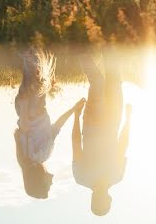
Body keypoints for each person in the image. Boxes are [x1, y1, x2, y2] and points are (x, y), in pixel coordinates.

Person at [13, 48, 85, 199]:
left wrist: (26, 103)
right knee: (37, 66)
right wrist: (74, 109)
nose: (51, 184)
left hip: (30, 108)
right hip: (35, 107)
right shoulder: (37, 157)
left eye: (48, 186)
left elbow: (24, 127)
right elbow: (57, 128)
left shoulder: (33, 156)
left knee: (32, 62)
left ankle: (20, 38)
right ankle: (26, 39)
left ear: (39, 181)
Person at [72, 52, 132, 216]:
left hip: (106, 120)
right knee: (109, 79)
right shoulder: (82, 177)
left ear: (108, 200)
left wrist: (129, 119)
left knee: (104, 80)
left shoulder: (115, 176)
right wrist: (76, 116)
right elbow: (76, 143)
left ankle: (79, 41)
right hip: (105, 121)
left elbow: (123, 143)